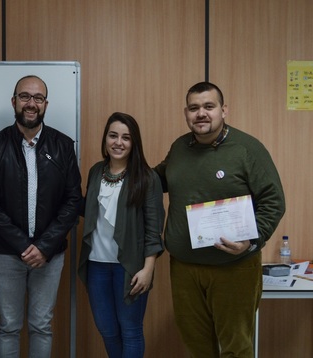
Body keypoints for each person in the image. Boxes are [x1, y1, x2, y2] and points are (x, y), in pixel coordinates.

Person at [154, 82, 286, 357]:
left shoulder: (247, 149)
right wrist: (122, 167)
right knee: (197, 346)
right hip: (185, 268)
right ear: (186, 113)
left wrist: (252, 241)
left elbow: (274, 201)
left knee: (236, 348)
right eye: (194, 108)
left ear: (223, 110)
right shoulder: (180, 147)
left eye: (208, 106)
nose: (201, 113)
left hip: (234, 267)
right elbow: (158, 180)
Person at [0, 75, 82, 357]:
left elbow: (73, 201)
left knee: (41, 326)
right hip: (5, 254)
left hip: (50, 256)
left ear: (45, 104)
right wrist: (23, 245)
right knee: (8, 326)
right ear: (14, 101)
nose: (31, 103)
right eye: (25, 96)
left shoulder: (63, 146)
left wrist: (45, 246)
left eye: (38, 98)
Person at [77, 112, 165, 358]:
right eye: (113, 135)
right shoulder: (96, 172)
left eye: (126, 138)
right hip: (97, 266)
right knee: (107, 330)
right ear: (105, 139)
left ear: (134, 142)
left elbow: (153, 229)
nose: (118, 142)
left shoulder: (147, 178)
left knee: (131, 331)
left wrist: (148, 269)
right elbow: (90, 212)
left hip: (131, 268)